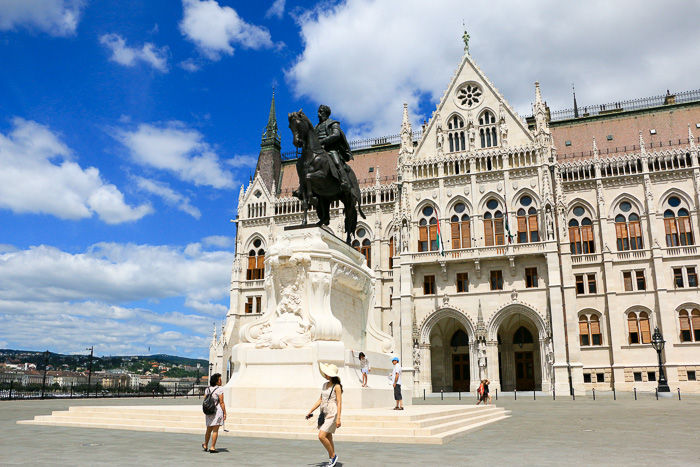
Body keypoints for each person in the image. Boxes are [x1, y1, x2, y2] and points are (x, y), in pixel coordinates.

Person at [306, 363, 343, 467]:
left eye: (327, 373)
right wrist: (311, 411)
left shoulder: (337, 387)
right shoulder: (324, 385)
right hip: (324, 411)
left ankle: (333, 456)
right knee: (328, 436)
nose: (325, 374)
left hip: (332, 412)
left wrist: (338, 418)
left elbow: (339, 402)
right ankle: (332, 458)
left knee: (321, 436)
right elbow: (320, 400)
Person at [314, 104, 353, 193]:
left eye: (321, 112)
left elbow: (336, 135)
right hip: (318, 149)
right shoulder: (316, 126)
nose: (318, 114)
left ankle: (344, 181)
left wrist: (323, 141)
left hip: (330, 149)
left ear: (326, 113)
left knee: (337, 162)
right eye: (318, 112)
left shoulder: (333, 123)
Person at [203, 373, 226, 453]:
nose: (221, 381)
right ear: (217, 382)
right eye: (220, 380)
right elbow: (221, 402)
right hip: (217, 411)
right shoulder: (220, 389)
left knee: (208, 430)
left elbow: (205, 399)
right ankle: (212, 447)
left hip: (209, 411)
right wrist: (225, 413)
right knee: (215, 430)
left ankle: (205, 445)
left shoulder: (207, 389)